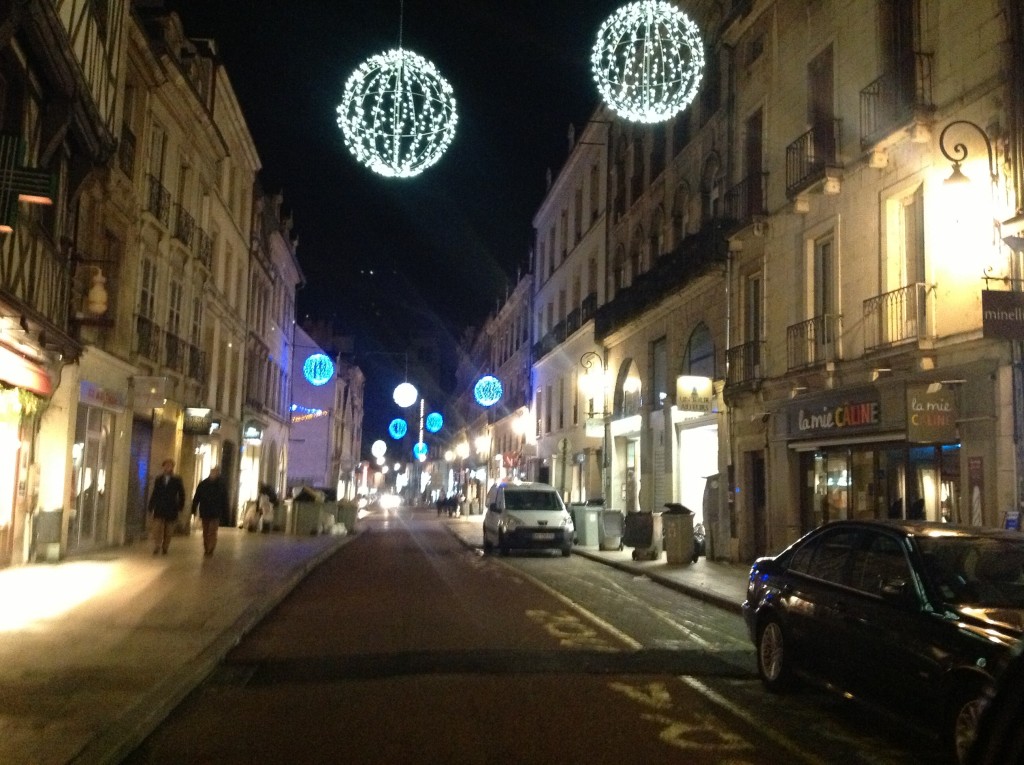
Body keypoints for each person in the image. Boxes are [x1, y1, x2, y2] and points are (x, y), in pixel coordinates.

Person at [148, 459, 185, 555]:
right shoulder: (159, 479)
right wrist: (151, 506)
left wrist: (180, 507)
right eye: (166, 465)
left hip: (171, 507)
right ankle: (157, 545)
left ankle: (165, 546)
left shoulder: (177, 480)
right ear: (163, 467)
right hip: (160, 507)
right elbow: (155, 493)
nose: (168, 467)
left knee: (169, 530)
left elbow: (181, 494)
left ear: (172, 467)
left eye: (170, 466)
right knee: (156, 528)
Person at [192, 466, 229, 556]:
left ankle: (210, 548)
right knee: (205, 531)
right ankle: (206, 546)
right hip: (205, 511)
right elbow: (197, 497)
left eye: (216, 472)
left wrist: (225, 512)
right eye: (213, 472)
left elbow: (225, 499)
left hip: (216, 512)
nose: (214, 474)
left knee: (213, 531)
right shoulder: (203, 484)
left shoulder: (221, 485)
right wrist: (193, 508)